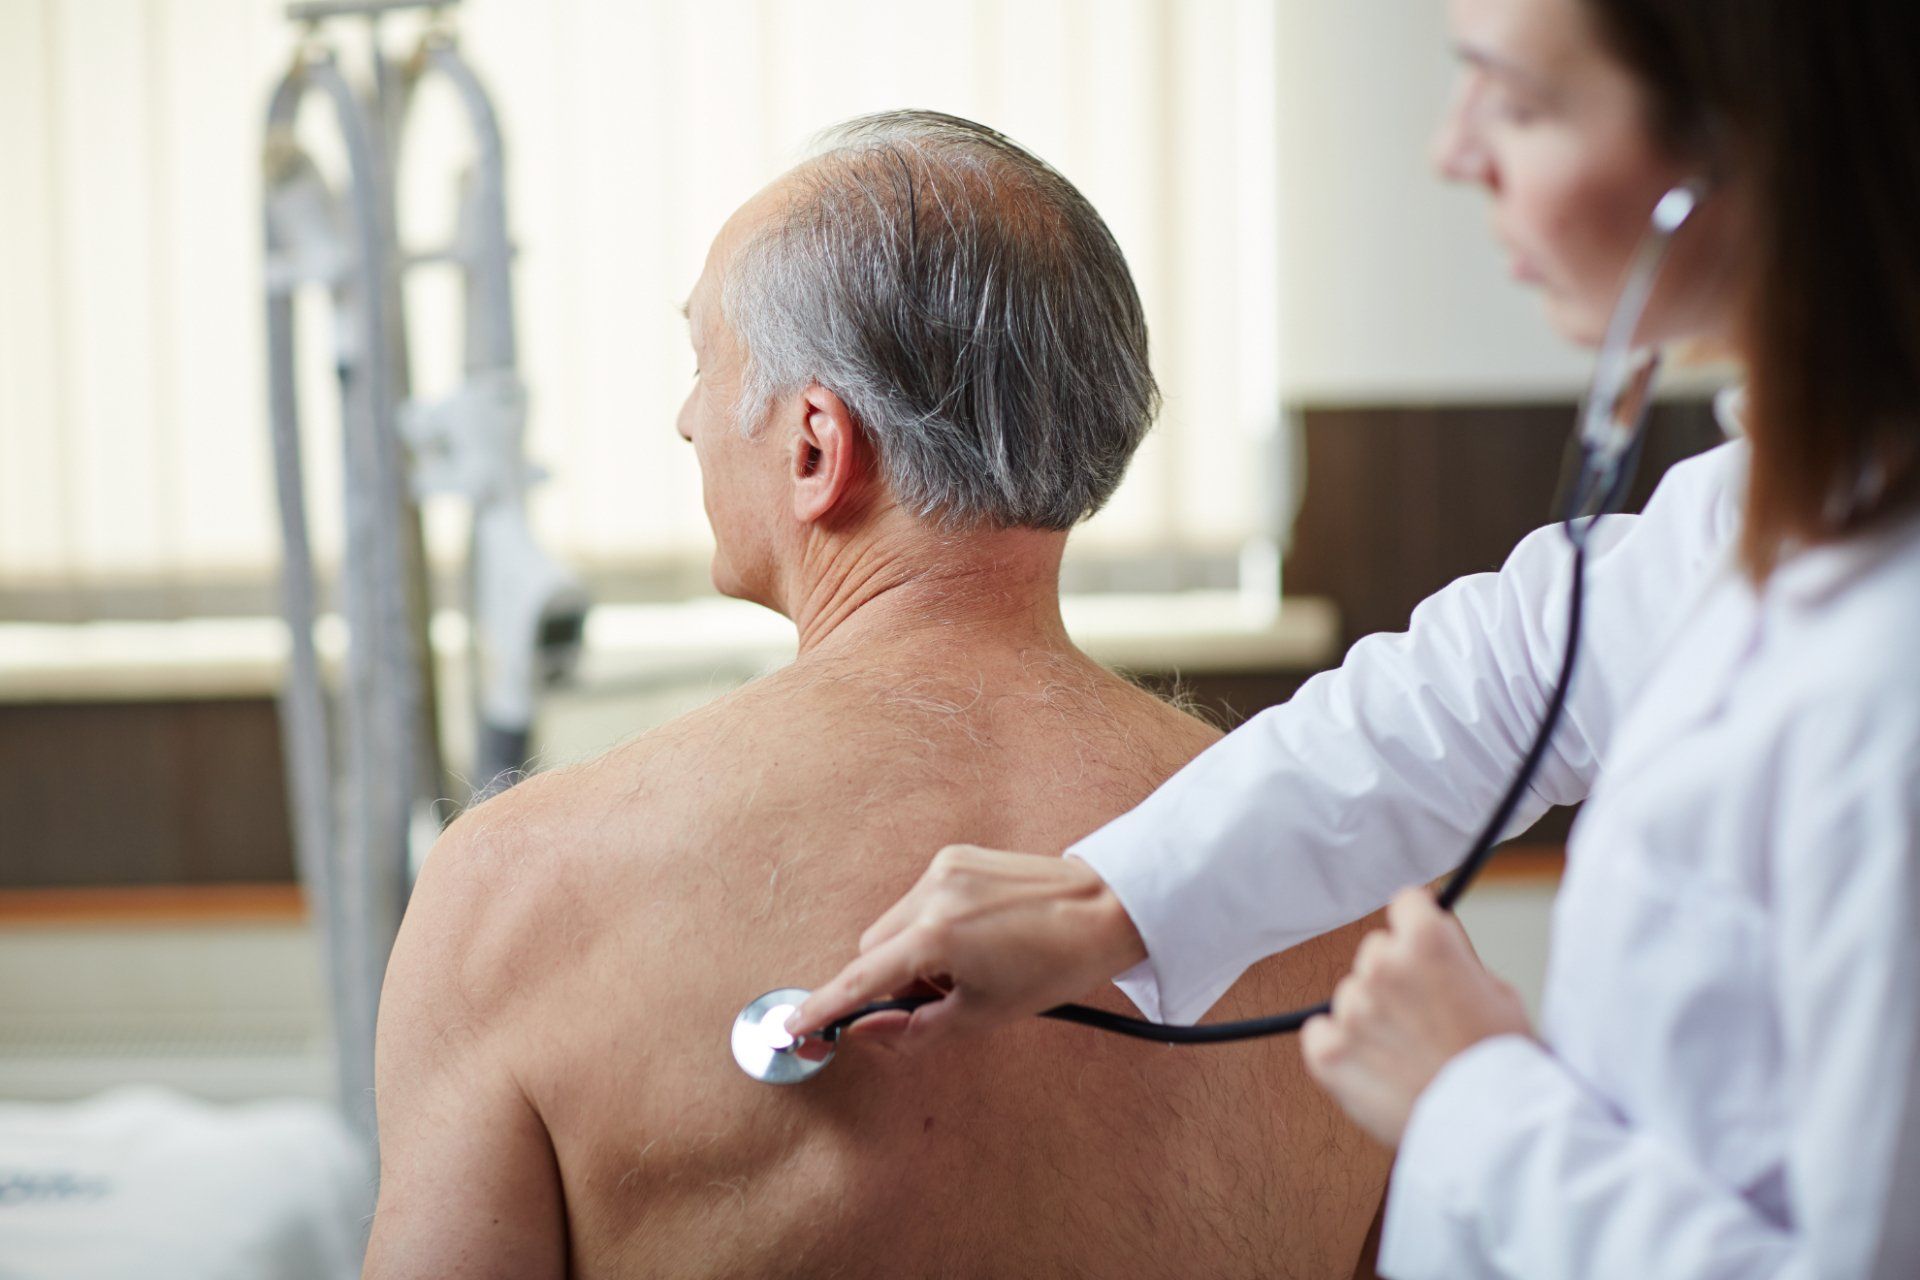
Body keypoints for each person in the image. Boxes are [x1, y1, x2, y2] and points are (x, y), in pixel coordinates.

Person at [792, 2, 1920, 1276]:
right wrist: (1110, 898)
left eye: (1520, 101)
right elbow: (1488, 683)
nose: (1454, 149)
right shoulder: (1767, 508)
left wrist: (1472, 1097)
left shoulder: (1887, 667)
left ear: (1748, 142)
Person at [362, 112, 1391, 1279]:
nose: (688, 418)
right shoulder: (1351, 900)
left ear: (816, 444)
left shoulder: (516, 890)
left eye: (704, 364)